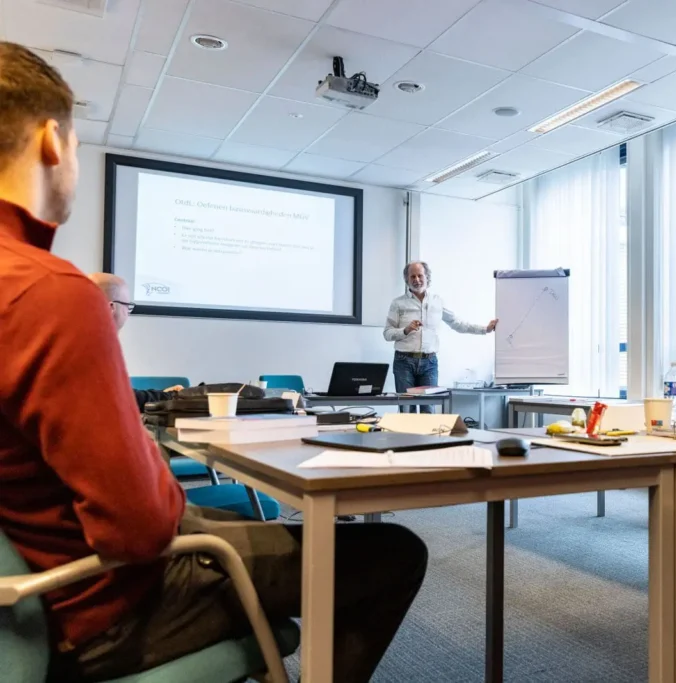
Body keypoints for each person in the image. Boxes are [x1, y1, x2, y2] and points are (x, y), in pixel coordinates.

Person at [0, 41, 426, 683]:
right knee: (393, 552)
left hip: (36, 582)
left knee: (237, 518)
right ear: (52, 143)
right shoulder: (51, 291)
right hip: (103, 601)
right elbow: (141, 529)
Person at [384, 261, 497, 412]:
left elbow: (457, 324)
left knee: (429, 410)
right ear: (407, 279)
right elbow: (387, 333)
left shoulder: (437, 302)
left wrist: (485, 329)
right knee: (406, 411)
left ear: (427, 277)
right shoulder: (398, 303)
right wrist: (405, 330)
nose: (416, 280)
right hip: (404, 362)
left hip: (429, 363)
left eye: (420, 275)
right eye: (412, 276)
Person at [88, 272, 183, 411]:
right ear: (111, 307)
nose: (128, 313)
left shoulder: (78, 337)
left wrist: (164, 395)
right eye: (127, 306)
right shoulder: (95, 345)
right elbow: (120, 398)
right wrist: (169, 397)